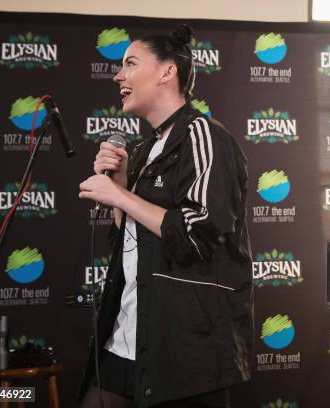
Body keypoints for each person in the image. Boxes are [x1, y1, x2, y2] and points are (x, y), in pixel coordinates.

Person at [76, 24, 253, 408]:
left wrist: (120, 195)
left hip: (184, 353)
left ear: (167, 71)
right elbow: (131, 239)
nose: (118, 75)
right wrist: (121, 188)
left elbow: (197, 233)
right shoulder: (141, 151)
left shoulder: (205, 136)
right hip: (125, 337)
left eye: (130, 63)